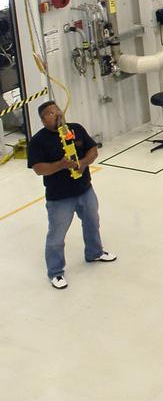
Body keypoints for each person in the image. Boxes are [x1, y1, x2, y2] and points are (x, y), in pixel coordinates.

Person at [27, 100, 116, 290]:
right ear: (43, 120)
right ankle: (55, 272)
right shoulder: (38, 141)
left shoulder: (75, 129)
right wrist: (60, 165)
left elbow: (92, 150)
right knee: (57, 236)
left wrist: (84, 162)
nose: (57, 114)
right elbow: (38, 169)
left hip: (85, 189)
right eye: (51, 113)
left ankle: (94, 252)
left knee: (92, 222)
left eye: (57, 110)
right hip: (59, 197)